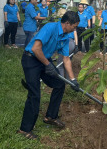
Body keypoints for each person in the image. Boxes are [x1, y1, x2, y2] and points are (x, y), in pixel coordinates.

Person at [18, 11, 80, 139]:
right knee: (34, 94)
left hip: (44, 60)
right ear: (67, 23)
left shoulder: (64, 36)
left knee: (59, 84)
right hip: (31, 59)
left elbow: (66, 59)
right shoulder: (50, 28)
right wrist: (47, 64)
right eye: (74, 26)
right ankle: (24, 130)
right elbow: (35, 48)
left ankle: (50, 116)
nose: (75, 29)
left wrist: (73, 79)